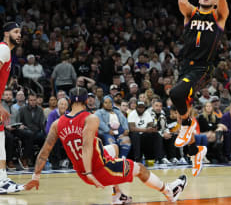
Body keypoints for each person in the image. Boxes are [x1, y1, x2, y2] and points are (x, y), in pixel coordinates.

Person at [24, 87, 187, 204]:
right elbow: (87, 146)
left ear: (68, 102)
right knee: (140, 169)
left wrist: (35, 177)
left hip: (81, 170)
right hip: (98, 170)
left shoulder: (57, 124)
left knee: (112, 148)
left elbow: (44, 153)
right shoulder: (91, 118)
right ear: (87, 100)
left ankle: (118, 195)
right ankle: (169, 191)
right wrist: (90, 173)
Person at [169, 0, 229, 177]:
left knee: (176, 93)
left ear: (214, 1)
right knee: (180, 106)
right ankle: (195, 151)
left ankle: (186, 127)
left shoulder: (219, 16)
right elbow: (182, 1)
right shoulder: (191, 13)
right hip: (185, 66)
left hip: (203, 68)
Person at [0, 22, 24, 193]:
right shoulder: (3, 49)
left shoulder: (7, 52)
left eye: (20, 32)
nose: (19, 35)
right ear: (6, 33)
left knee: (0, 139)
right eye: (16, 32)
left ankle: (2, 178)